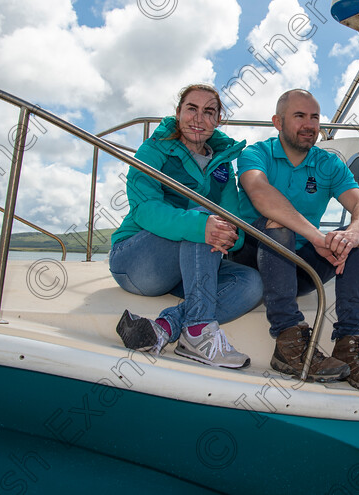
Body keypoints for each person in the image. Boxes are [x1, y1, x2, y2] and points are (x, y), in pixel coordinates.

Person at [235, 89, 359, 392]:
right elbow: (261, 195)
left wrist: (352, 234)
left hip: (296, 267)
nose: (309, 124)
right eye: (299, 116)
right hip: (250, 258)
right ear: (277, 122)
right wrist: (316, 236)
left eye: (315, 117)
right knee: (278, 223)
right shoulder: (256, 153)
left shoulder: (328, 163)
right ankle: (288, 341)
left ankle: (348, 345)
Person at [109, 84, 262, 369]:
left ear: (218, 120)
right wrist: (202, 225)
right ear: (178, 113)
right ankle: (198, 330)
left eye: (209, 112)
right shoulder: (154, 149)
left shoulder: (222, 164)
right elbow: (144, 209)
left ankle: (166, 327)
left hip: (188, 268)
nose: (198, 118)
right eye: (192, 108)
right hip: (135, 261)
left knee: (252, 284)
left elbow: (236, 226)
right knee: (204, 216)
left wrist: (228, 235)